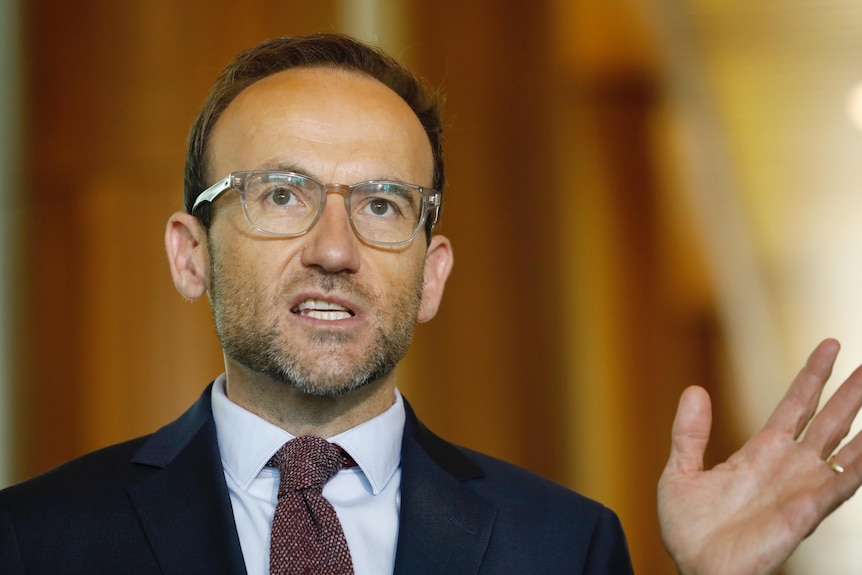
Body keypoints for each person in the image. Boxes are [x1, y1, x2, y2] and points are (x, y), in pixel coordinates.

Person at [1, 33, 861, 575]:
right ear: (191, 254)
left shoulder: (561, 547)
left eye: (381, 204)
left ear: (434, 273)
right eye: (281, 194)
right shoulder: (34, 540)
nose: (335, 249)